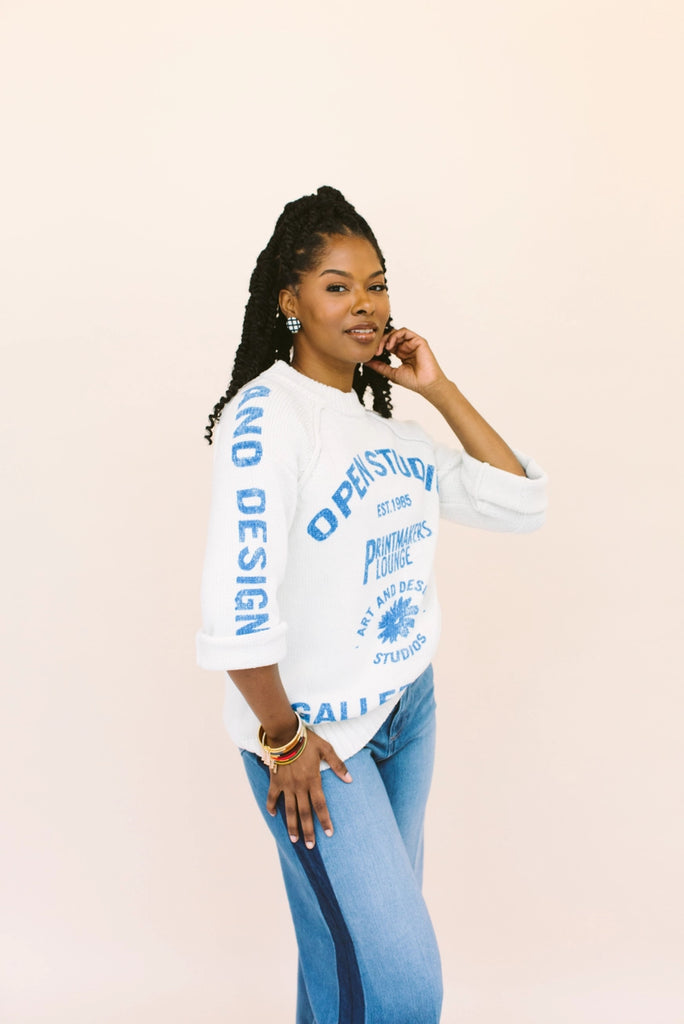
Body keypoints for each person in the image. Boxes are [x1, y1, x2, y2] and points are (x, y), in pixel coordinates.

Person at [196, 185, 547, 1024]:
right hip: (315, 742)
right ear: (290, 300)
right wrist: (283, 740)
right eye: (338, 284)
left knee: (344, 966)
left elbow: (520, 503)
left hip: (404, 711)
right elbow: (235, 610)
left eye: (378, 283)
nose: (366, 304)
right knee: (397, 987)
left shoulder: (390, 432)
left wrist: (439, 388)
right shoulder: (268, 419)